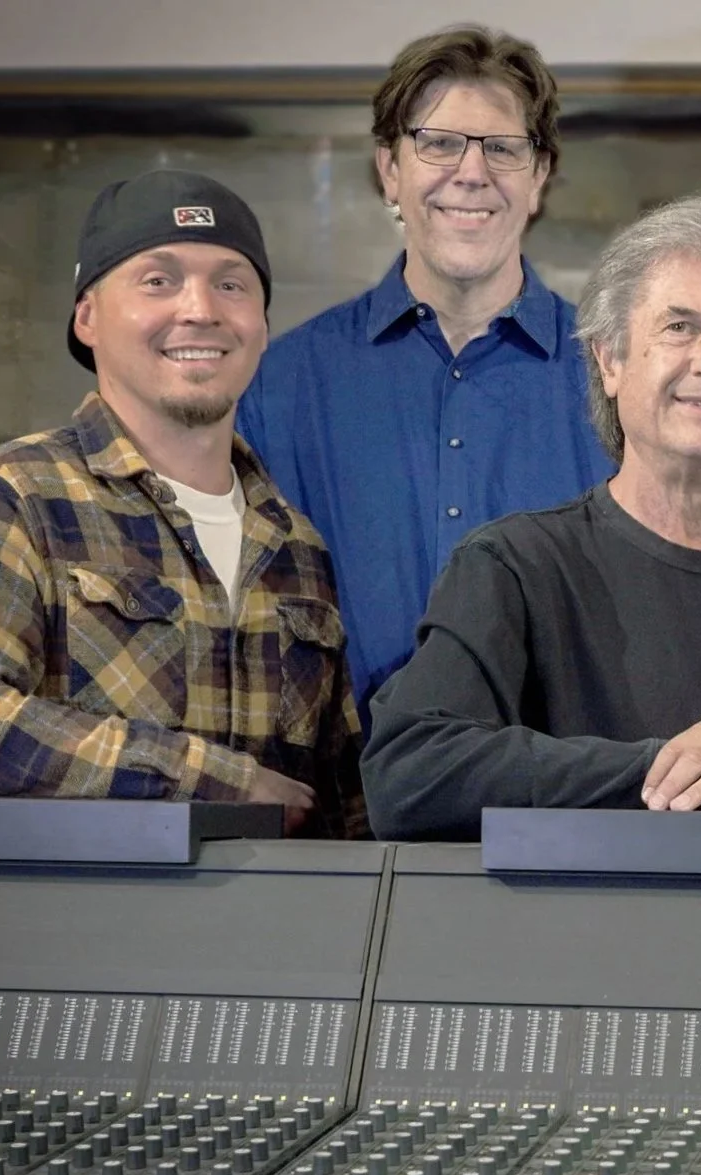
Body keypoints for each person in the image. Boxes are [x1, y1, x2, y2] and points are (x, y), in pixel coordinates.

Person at [362, 194, 701, 841]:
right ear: (610, 360)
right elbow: (409, 775)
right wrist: (691, 776)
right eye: (679, 327)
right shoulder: (514, 565)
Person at [0, 170, 365, 838]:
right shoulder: (11, 496)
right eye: (158, 280)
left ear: (262, 325)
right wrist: (202, 777)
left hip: (267, 937)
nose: (201, 309)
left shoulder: (297, 546)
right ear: (88, 317)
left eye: (231, 283)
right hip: (75, 934)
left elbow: (339, 800)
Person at [236, 25, 610, 719]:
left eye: (502, 148)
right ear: (389, 170)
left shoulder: (615, 376)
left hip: (562, 803)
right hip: (335, 807)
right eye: (438, 142)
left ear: (539, 177)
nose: (471, 173)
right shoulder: (281, 383)